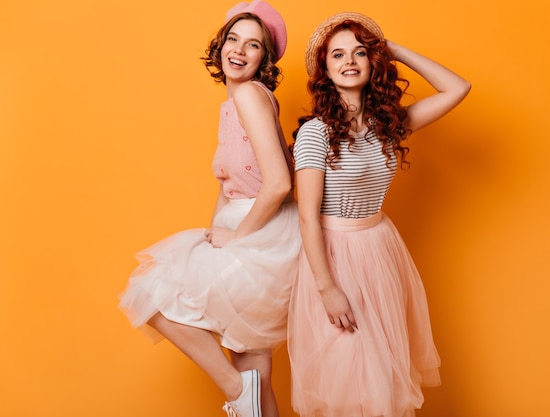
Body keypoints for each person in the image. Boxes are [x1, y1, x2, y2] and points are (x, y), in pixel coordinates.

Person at [118, 2, 299, 416]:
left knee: (151, 292)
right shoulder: (236, 102)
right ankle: (246, 392)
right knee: (256, 368)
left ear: (263, 59)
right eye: (233, 39)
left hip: (262, 231)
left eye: (253, 45)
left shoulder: (251, 96)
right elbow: (229, 184)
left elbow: (279, 184)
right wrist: (216, 230)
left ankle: (237, 389)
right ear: (219, 45)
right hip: (254, 226)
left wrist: (237, 237)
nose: (239, 50)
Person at [287, 12, 471, 417]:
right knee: (350, 377)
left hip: (380, 250)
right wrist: (327, 289)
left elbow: (458, 88)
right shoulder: (316, 133)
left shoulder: (387, 125)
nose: (349, 60)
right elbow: (306, 218)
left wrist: (394, 50)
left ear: (373, 62)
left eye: (359, 52)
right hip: (334, 258)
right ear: (326, 70)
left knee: (381, 379)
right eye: (337, 54)